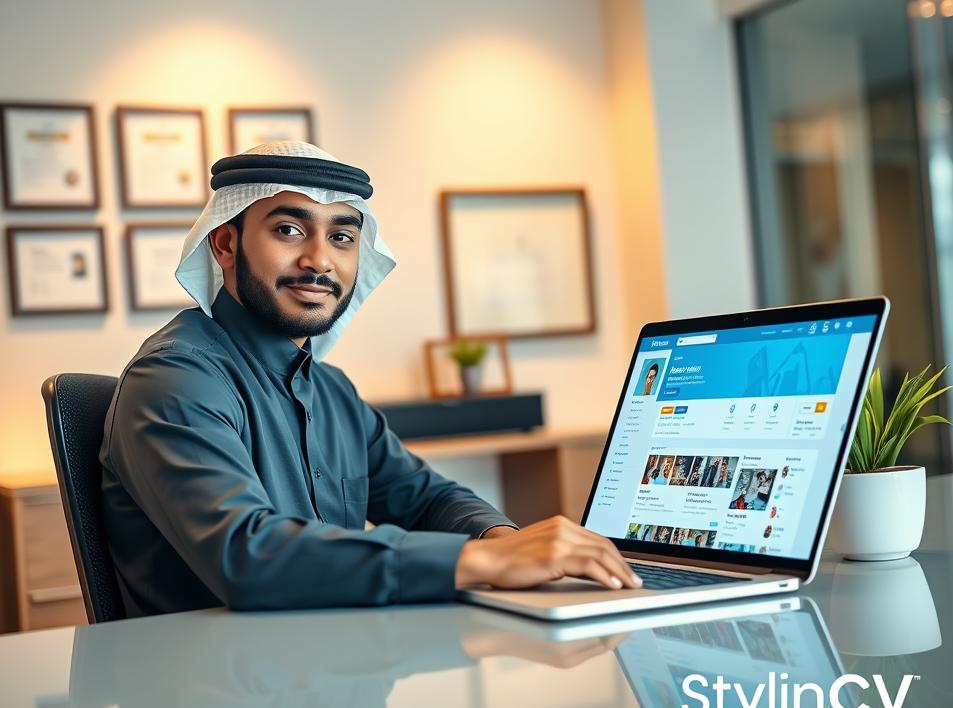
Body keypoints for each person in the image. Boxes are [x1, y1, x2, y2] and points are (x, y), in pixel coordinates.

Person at [100, 141, 640, 617]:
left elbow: (427, 499)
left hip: (330, 682)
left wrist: (506, 541)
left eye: (342, 236)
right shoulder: (176, 378)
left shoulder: (332, 391)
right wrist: (486, 560)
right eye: (289, 230)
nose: (319, 261)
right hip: (216, 704)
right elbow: (249, 557)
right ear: (225, 245)